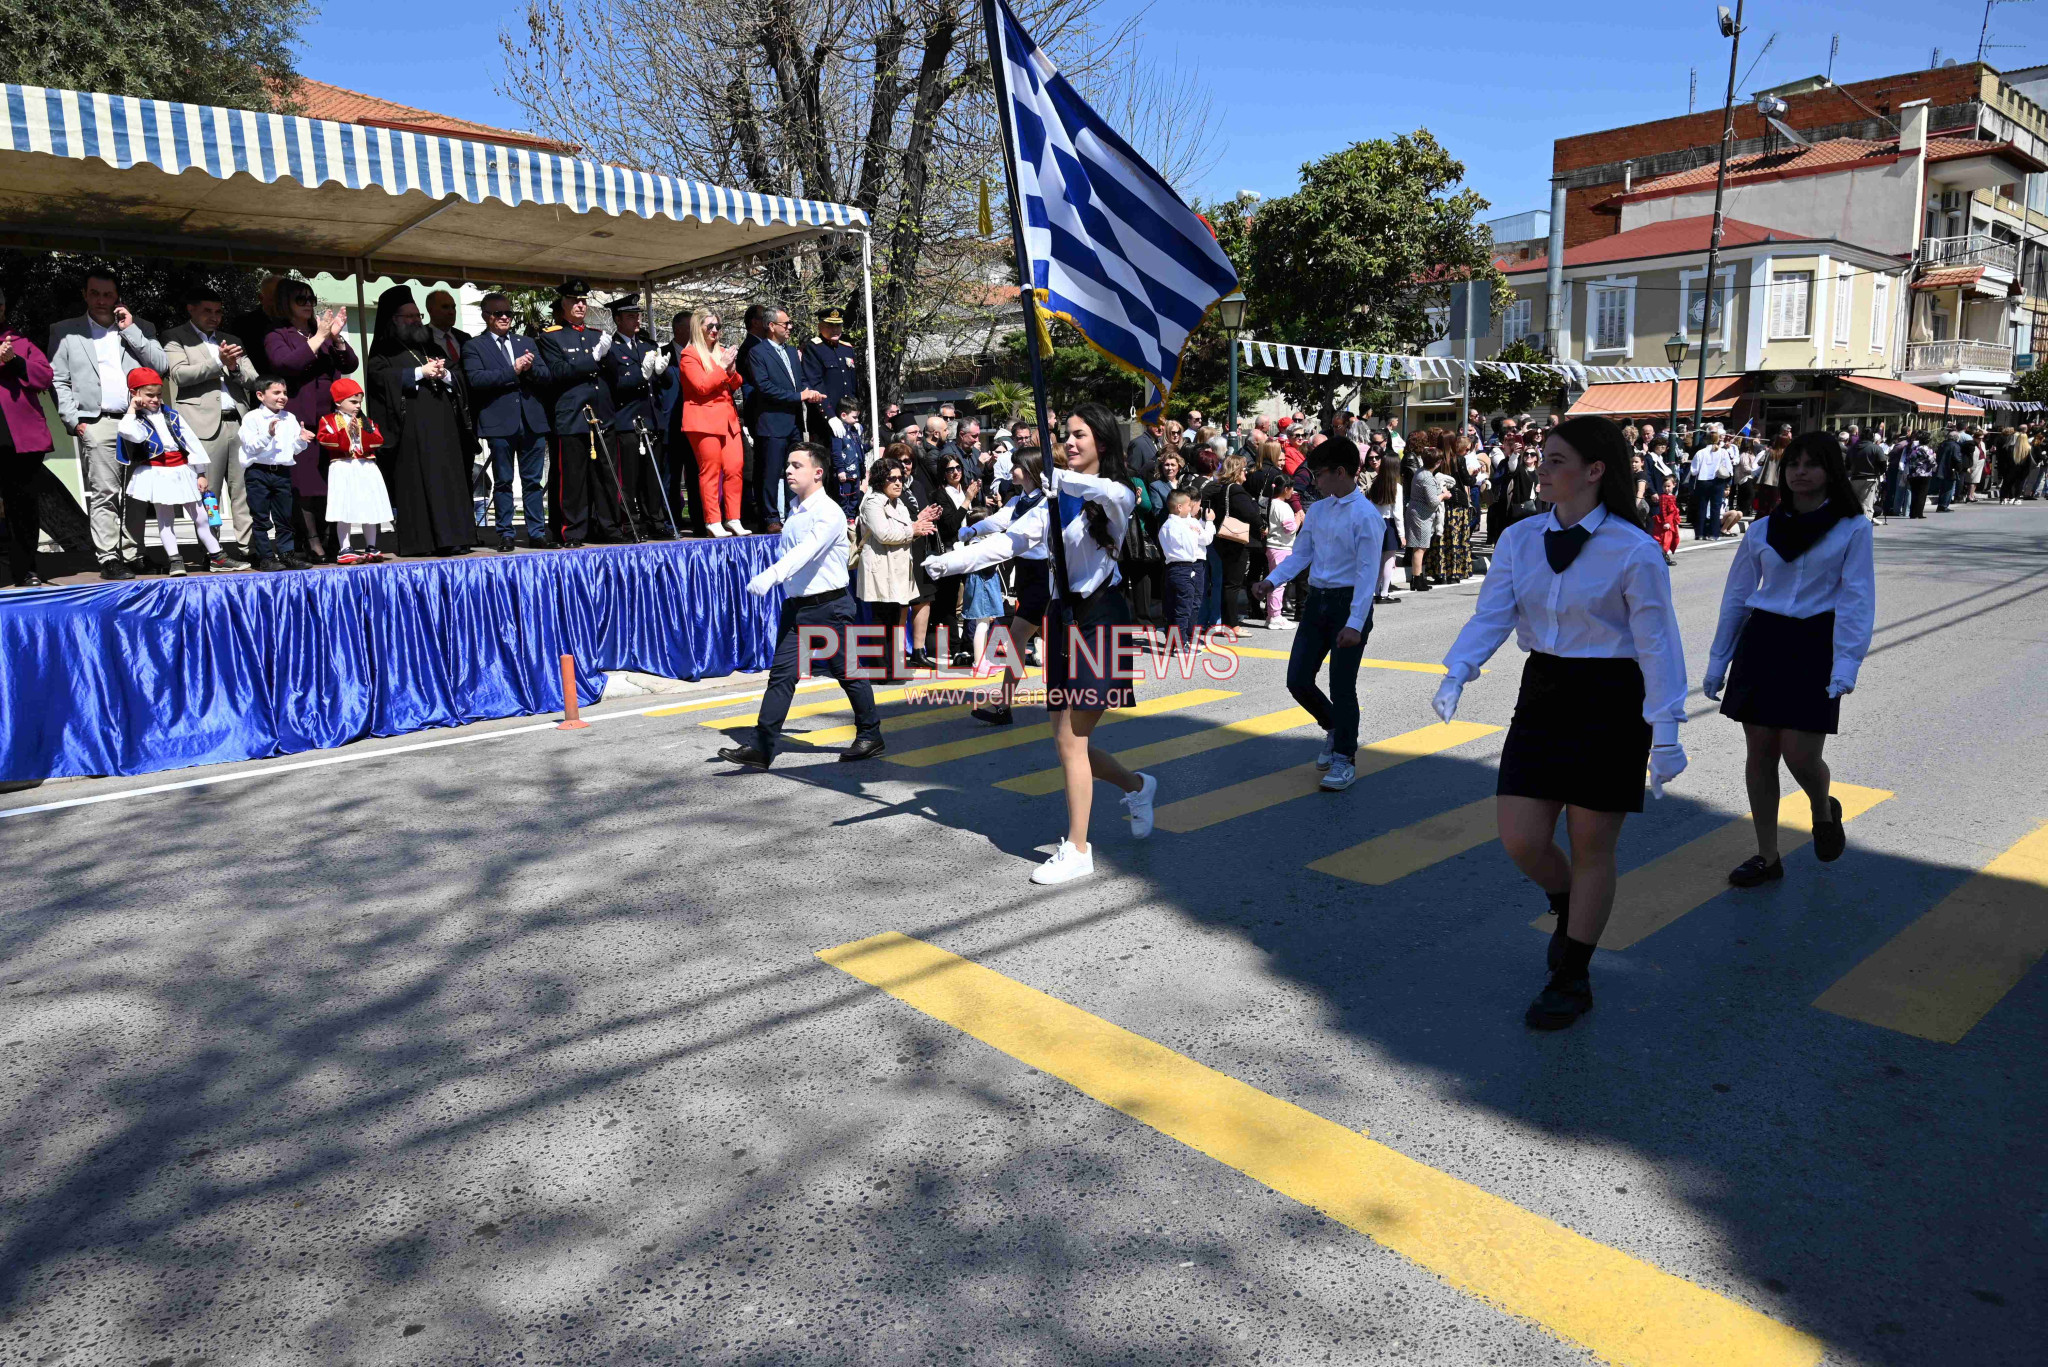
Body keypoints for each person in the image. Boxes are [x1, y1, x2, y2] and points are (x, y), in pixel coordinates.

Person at [1434, 415, 1688, 1031]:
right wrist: (1457, 670)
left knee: (1593, 845)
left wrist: (1668, 727)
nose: (1540, 468)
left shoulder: (1635, 550)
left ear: (1593, 470)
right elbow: (1492, 614)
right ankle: (1567, 901)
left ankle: (1573, 973)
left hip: (1611, 696)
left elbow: (1658, 644)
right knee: (1521, 837)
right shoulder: (1520, 539)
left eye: (1554, 459)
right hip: (1544, 689)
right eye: (1542, 458)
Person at [924, 402, 1154, 885]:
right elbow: (1008, 542)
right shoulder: (1052, 499)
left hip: (1103, 619)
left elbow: (1097, 489)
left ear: (1103, 444)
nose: (1068, 443)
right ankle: (1136, 785)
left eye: (1079, 437)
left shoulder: (1115, 494)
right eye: (1065, 436)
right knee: (1067, 742)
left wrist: (1056, 479)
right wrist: (950, 562)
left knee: (1072, 739)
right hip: (1062, 618)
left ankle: (1078, 848)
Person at [1704, 431, 1875, 888]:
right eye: (1793, 463)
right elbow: (1737, 597)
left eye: (1812, 464)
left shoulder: (1851, 527)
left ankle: (1823, 809)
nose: (1800, 471)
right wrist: (1718, 661)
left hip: (1814, 642)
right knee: (1759, 752)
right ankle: (1767, 855)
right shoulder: (1761, 529)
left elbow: (1858, 599)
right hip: (1763, 642)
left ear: (1830, 471)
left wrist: (1847, 664)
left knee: (1800, 755)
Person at [719, 442, 888, 768]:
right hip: (798, 609)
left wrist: (771, 576)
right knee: (781, 677)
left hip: (830, 608)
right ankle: (762, 747)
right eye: (789, 465)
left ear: (818, 472)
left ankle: (871, 734)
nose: (789, 471)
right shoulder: (796, 510)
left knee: (848, 673)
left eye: (797, 465)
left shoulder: (828, 513)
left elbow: (807, 551)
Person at [1250, 437, 1385, 793]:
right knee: (1297, 679)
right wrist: (1271, 580)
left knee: (1342, 686)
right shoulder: (1321, 510)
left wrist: (1355, 623)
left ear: (1341, 472)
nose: (1313, 481)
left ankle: (1345, 758)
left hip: (1348, 606)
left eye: (1319, 474)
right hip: (1317, 603)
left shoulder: (1366, 516)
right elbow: (1300, 554)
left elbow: (1367, 575)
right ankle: (1334, 727)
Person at [49, 268, 168, 578]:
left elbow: (161, 366)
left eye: (107, 294)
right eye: (95, 293)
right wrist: (75, 422)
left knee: (138, 493)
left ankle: (134, 554)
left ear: (117, 297)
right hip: (97, 422)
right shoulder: (65, 330)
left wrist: (131, 331)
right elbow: (58, 380)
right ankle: (108, 558)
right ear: (85, 295)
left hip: (140, 422)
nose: (101, 300)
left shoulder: (139, 328)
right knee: (105, 493)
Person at [366, 288, 475, 559]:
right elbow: (378, 379)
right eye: (410, 316)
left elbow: (459, 374)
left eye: (418, 315)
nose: (417, 320)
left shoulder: (431, 345)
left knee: (450, 481)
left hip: (445, 429)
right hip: (411, 431)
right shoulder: (383, 349)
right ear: (394, 319)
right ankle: (423, 542)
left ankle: (455, 538)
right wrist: (418, 373)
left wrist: (445, 373)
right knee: (419, 484)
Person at [263, 280, 358, 562]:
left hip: (330, 421)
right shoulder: (277, 334)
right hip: (300, 420)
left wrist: (337, 338)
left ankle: (333, 539)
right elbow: (286, 365)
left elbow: (349, 365)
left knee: (330, 483)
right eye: (299, 298)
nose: (307, 302)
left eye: (310, 297)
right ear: (285, 303)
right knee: (304, 485)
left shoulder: (326, 334)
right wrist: (319, 337)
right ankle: (311, 541)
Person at [164, 287, 260, 565]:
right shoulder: (175, 337)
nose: (214, 317)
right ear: (190, 310)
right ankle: (214, 551)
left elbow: (253, 379)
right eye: (207, 310)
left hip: (238, 423)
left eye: (218, 311)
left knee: (243, 491)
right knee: (208, 493)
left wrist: (232, 368)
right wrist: (219, 361)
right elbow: (180, 374)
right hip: (202, 426)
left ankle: (248, 547)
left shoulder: (232, 340)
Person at [463, 291, 554, 552]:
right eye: (498, 313)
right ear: (486, 316)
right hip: (499, 422)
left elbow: (546, 375)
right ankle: (505, 534)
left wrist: (529, 368)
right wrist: (512, 370)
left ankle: (537, 532)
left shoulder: (526, 341)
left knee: (533, 482)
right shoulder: (474, 346)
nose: (504, 317)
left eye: (508, 313)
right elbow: (476, 380)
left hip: (532, 421)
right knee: (503, 481)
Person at [117, 367, 232, 575]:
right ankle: (175, 561)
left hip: (182, 469)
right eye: (149, 395)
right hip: (158, 472)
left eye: (158, 395)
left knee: (201, 516)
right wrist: (132, 409)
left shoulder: (172, 415)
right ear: (135, 394)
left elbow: (192, 443)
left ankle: (218, 557)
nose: (155, 399)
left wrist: (200, 472)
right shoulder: (136, 419)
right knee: (165, 519)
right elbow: (129, 433)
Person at [538, 279, 624, 545]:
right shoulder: (551, 337)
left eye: (584, 301)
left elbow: (614, 374)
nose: (580, 305)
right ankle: (572, 531)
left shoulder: (597, 335)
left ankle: (609, 528)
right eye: (574, 301)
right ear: (562, 305)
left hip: (601, 416)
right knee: (572, 480)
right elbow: (557, 372)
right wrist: (592, 359)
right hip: (573, 416)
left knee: (606, 477)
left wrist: (608, 355)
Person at [856, 450, 942, 678]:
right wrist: (913, 529)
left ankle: (893, 666)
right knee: (882, 621)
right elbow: (884, 533)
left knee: (895, 620)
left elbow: (906, 528)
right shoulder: (873, 502)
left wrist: (920, 522)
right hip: (880, 569)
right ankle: (881, 670)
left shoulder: (898, 502)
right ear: (879, 479)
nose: (897, 482)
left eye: (900, 478)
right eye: (891, 478)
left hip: (899, 569)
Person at [598, 294, 675, 539]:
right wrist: (640, 376)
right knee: (629, 479)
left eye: (638, 315)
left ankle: (656, 521)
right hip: (627, 420)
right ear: (618, 319)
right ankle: (631, 524)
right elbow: (616, 383)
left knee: (652, 477)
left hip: (650, 420)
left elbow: (665, 383)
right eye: (630, 316)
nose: (637, 320)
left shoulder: (647, 345)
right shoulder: (612, 348)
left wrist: (662, 372)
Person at [741, 306, 819, 532]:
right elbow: (764, 387)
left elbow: (800, 381)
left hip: (793, 421)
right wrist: (798, 396)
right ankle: (770, 517)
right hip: (772, 422)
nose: (790, 328)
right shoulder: (758, 352)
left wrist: (810, 392)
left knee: (794, 469)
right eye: (786, 324)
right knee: (771, 471)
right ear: (771, 326)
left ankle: (792, 512)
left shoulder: (792, 351)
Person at [0, 287, 56, 585]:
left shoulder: (20, 342)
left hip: (17, 439)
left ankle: (26, 569)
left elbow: (45, 376)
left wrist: (15, 361)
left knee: (22, 507)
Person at [675, 309, 746, 536]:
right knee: (710, 471)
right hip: (704, 420)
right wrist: (723, 367)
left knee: (735, 468)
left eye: (718, 326)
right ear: (699, 328)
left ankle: (733, 518)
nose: (715, 330)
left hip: (727, 419)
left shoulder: (721, 351)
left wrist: (732, 371)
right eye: (710, 326)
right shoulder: (689, 355)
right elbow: (702, 386)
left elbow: (735, 384)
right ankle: (713, 520)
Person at [236, 376, 310, 571]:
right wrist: (268, 434)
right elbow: (250, 446)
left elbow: (293, 449)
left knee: (284, 517)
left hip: (282, 472)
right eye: (276, 392)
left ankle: (286, 555)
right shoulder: (252, 418)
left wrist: (302, 440)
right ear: (260, 395)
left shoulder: (289, 417)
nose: (282, 397)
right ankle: (266, 557)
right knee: (260, 517)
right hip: (258, 472)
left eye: (284, 393)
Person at [316, 377, 393, 564]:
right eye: (353, 401)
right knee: (344, 507)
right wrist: (345, 433)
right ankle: (345, 548)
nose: (357, 406)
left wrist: (360, 432)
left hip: (365, 466)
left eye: (359, 402)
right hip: (343, 466)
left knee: (370, 506)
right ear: (338, 402)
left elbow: (377, 440)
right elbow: (324, 439)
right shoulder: (328, 420)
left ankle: (371, 546)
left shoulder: (366, 422)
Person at [1157, 488, 1214, 649]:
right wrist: (1202, 527)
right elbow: (1199, 542)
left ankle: (1175, 641)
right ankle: (1181, 644)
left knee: (1173, 607)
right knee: (1184, 608)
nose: (1191, 508)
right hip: (1184, 567)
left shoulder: (1166, 525)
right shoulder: (1184, 526)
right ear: (1179, 507)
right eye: (1189, 505)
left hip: (1172, 567)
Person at [799, 307, 863, 445]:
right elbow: (816, 384)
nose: (835, 329)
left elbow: (852, 386)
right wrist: (830, 416)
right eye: (830, 325)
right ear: (820, 326)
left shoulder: (847, 348)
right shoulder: (814, 348)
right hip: (825, 419)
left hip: (848, 418)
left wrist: (856, 415)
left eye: (838, 325)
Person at [1259, 469, 1299, 627]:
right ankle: (1275, 616)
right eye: (1291, 489)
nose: (1293, 492)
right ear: (1285, 489)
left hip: (1273, 546)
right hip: (1281, 546)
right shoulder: (1282, 507)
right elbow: (1290, 528)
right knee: (1279, 582)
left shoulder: (1271, 503)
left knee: (1274, 580)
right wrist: (1298, 519)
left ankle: (1272, 614)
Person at [1405, 449, 1445, 591]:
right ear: (1438, 462)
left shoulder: (1420, 472)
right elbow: (1433, 501)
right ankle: (1417, 580)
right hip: (1421, 516)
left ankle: (1418, 577)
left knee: (1420, 547)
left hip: (1419, 513)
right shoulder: (1427, 477)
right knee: (1420, 548)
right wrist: (1444, 495)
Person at [1691, 430, 1735, 539]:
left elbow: (1694, 471)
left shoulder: (1700, 452)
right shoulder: (1723, 452)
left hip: (1703, 481)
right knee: (1715, 508)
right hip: (1718, 481)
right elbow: (1729, 469)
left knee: (1702, 507)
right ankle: (1714, 533)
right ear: (1718, 439)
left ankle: (1700, 533)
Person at [1650, 475, 1682, 563]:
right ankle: (1663, 557)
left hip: (1671, 521)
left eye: (1668, 486)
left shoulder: (1672, 496)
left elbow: (1673, 509)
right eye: (1664, 486)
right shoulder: (1664, 497)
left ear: (1674, 485)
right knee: (1665, 540)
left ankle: (1663, 556)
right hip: (1666, 521)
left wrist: (1675, 521)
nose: (1666, 488)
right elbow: (1663, 510)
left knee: (1671, 539)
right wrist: (1665, 522)